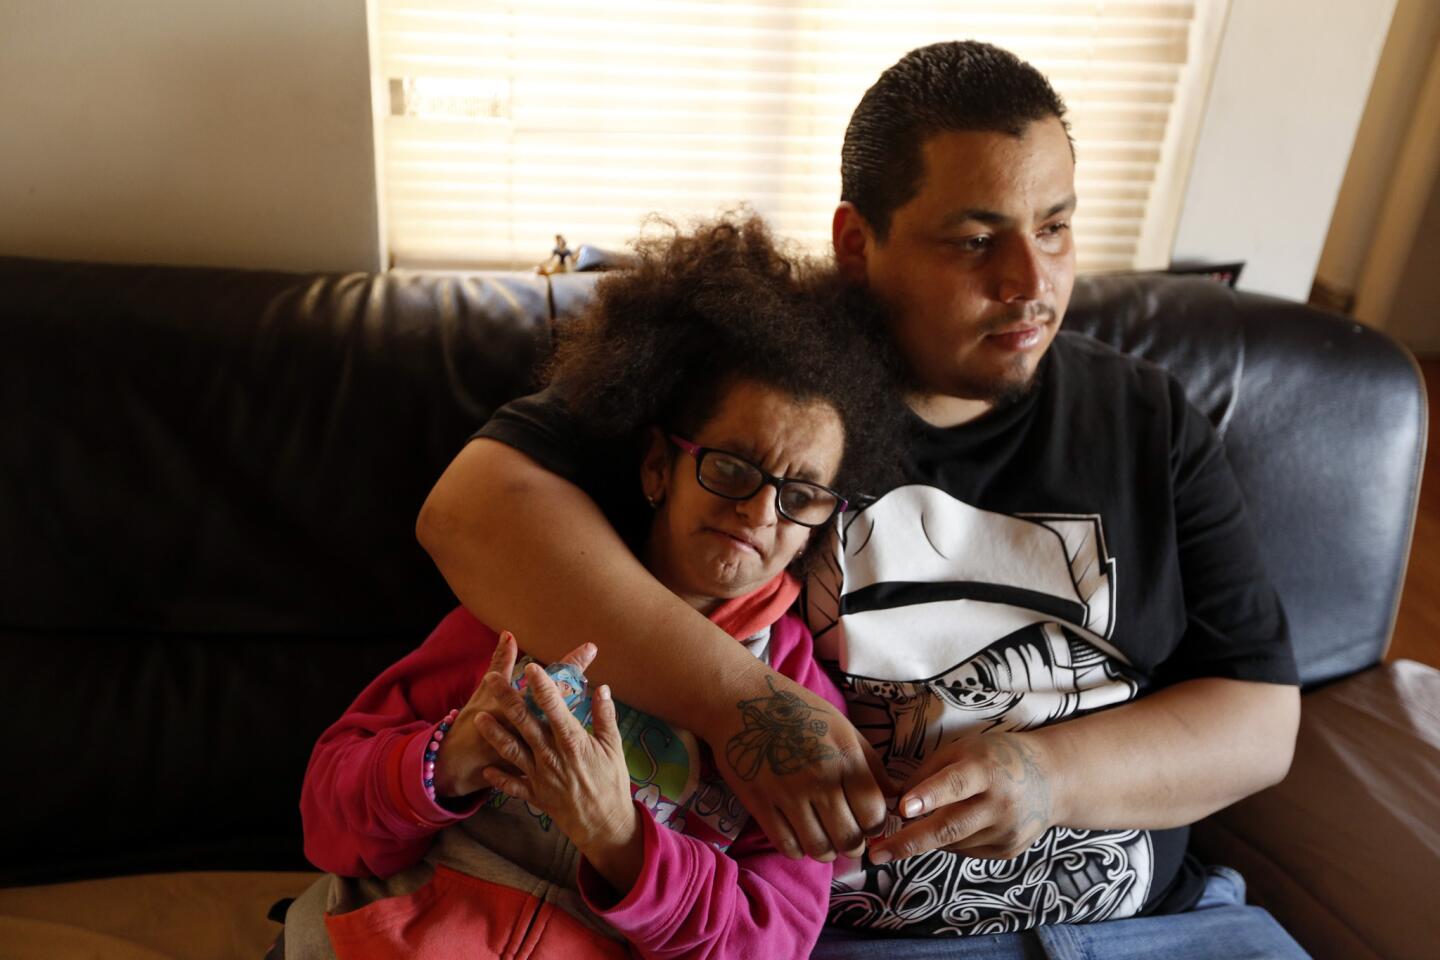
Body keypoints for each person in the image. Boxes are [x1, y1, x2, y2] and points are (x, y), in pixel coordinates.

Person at [416, 42, 1307, 958]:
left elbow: (1261, 718)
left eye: (1054, 228)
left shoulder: (1145, 416)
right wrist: (746, 704)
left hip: (1145, 933)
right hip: (829, 938)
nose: (1032, 286)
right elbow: (472, 510)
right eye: (974, 240)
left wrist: (1047, 778)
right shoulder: (759, 386)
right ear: (856, 244)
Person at [278, 217, 907, 960]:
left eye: (799, 495)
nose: (758, 511)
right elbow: (327, 817)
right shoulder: (530, 598)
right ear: (656, 467)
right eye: (732, 467)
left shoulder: (801, 707)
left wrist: (623, 842)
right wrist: (444, 761)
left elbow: (764, 946)